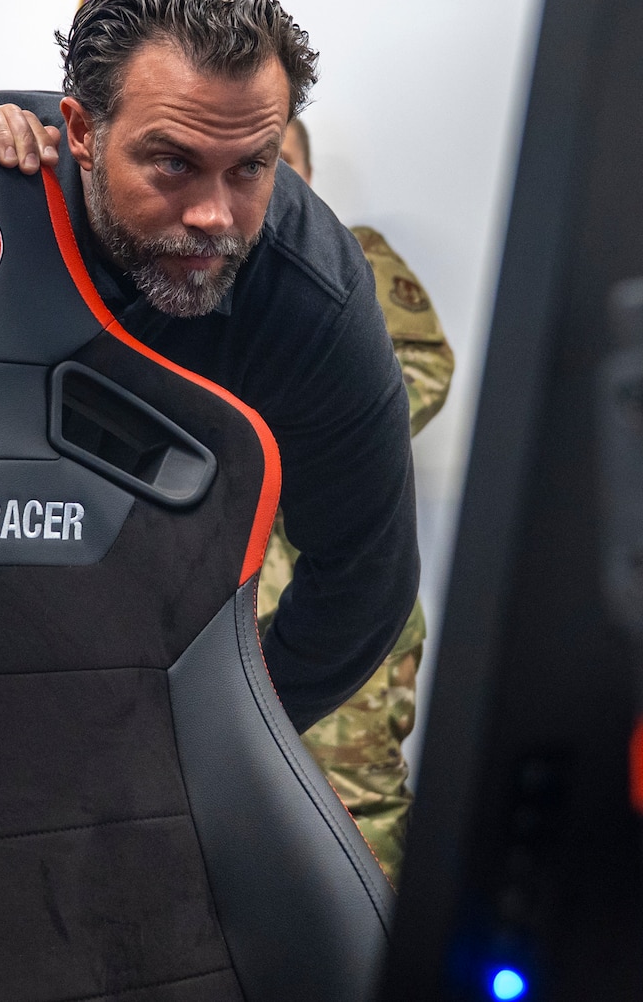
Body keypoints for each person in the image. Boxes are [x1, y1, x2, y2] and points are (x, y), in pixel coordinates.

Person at [0, 0, 419, 735]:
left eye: (250, 167)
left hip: (144, 636)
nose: (215, 216)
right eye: (173, 163)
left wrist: (217, 742)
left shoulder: (310, 293)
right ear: (82, 131)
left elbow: (365, 583)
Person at [254, 116, 455, 884]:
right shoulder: (197, 264)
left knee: (358, 803)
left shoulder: (352, 257)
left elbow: (425, 369)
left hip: (338, 583)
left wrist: (312, 426)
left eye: (279, 163)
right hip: (228, 588)